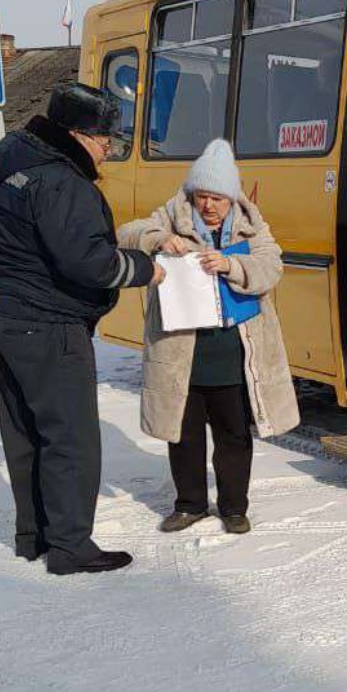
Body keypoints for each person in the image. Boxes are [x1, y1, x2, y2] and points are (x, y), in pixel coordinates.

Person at [0, 82, 162, 576]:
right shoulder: (63, 182)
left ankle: (34, 536)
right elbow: (90, 263)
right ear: (77, 134)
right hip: (49, 322)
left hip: (7, 314)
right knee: (70, 438)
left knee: (26, 433)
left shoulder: (12, 156)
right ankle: (70, 547)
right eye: (106, 140)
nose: (109, 149)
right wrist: (147, 268)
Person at [117, 139, 299, 533]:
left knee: (233, 434)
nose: (209, 206)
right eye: (202, 196)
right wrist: (158, 239)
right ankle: (189, 505)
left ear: (231, 197)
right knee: (182, 434)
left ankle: (234, 508)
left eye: (217, 197)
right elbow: (127, 232)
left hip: (235, 352)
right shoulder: (171, 215)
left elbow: (272, 267)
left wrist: (232, 264)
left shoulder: (252, 224)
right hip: (182, 352)